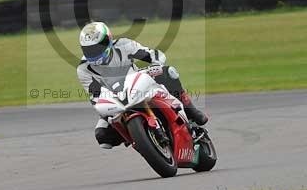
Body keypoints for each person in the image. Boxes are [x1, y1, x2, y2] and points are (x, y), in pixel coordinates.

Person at [76, 21, 208, 149]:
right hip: (115, 100)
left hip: (138, 83)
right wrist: (104, 108)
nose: (94, 52)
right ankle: (140, 140)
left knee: (168, 72)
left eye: (98, 47)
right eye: (89, 50)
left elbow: (153, 54)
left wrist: (156, 65)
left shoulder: (124, 45)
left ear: (108, 41)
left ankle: (191, 111)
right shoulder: (83, 69)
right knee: (102, 135)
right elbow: (95, 95)